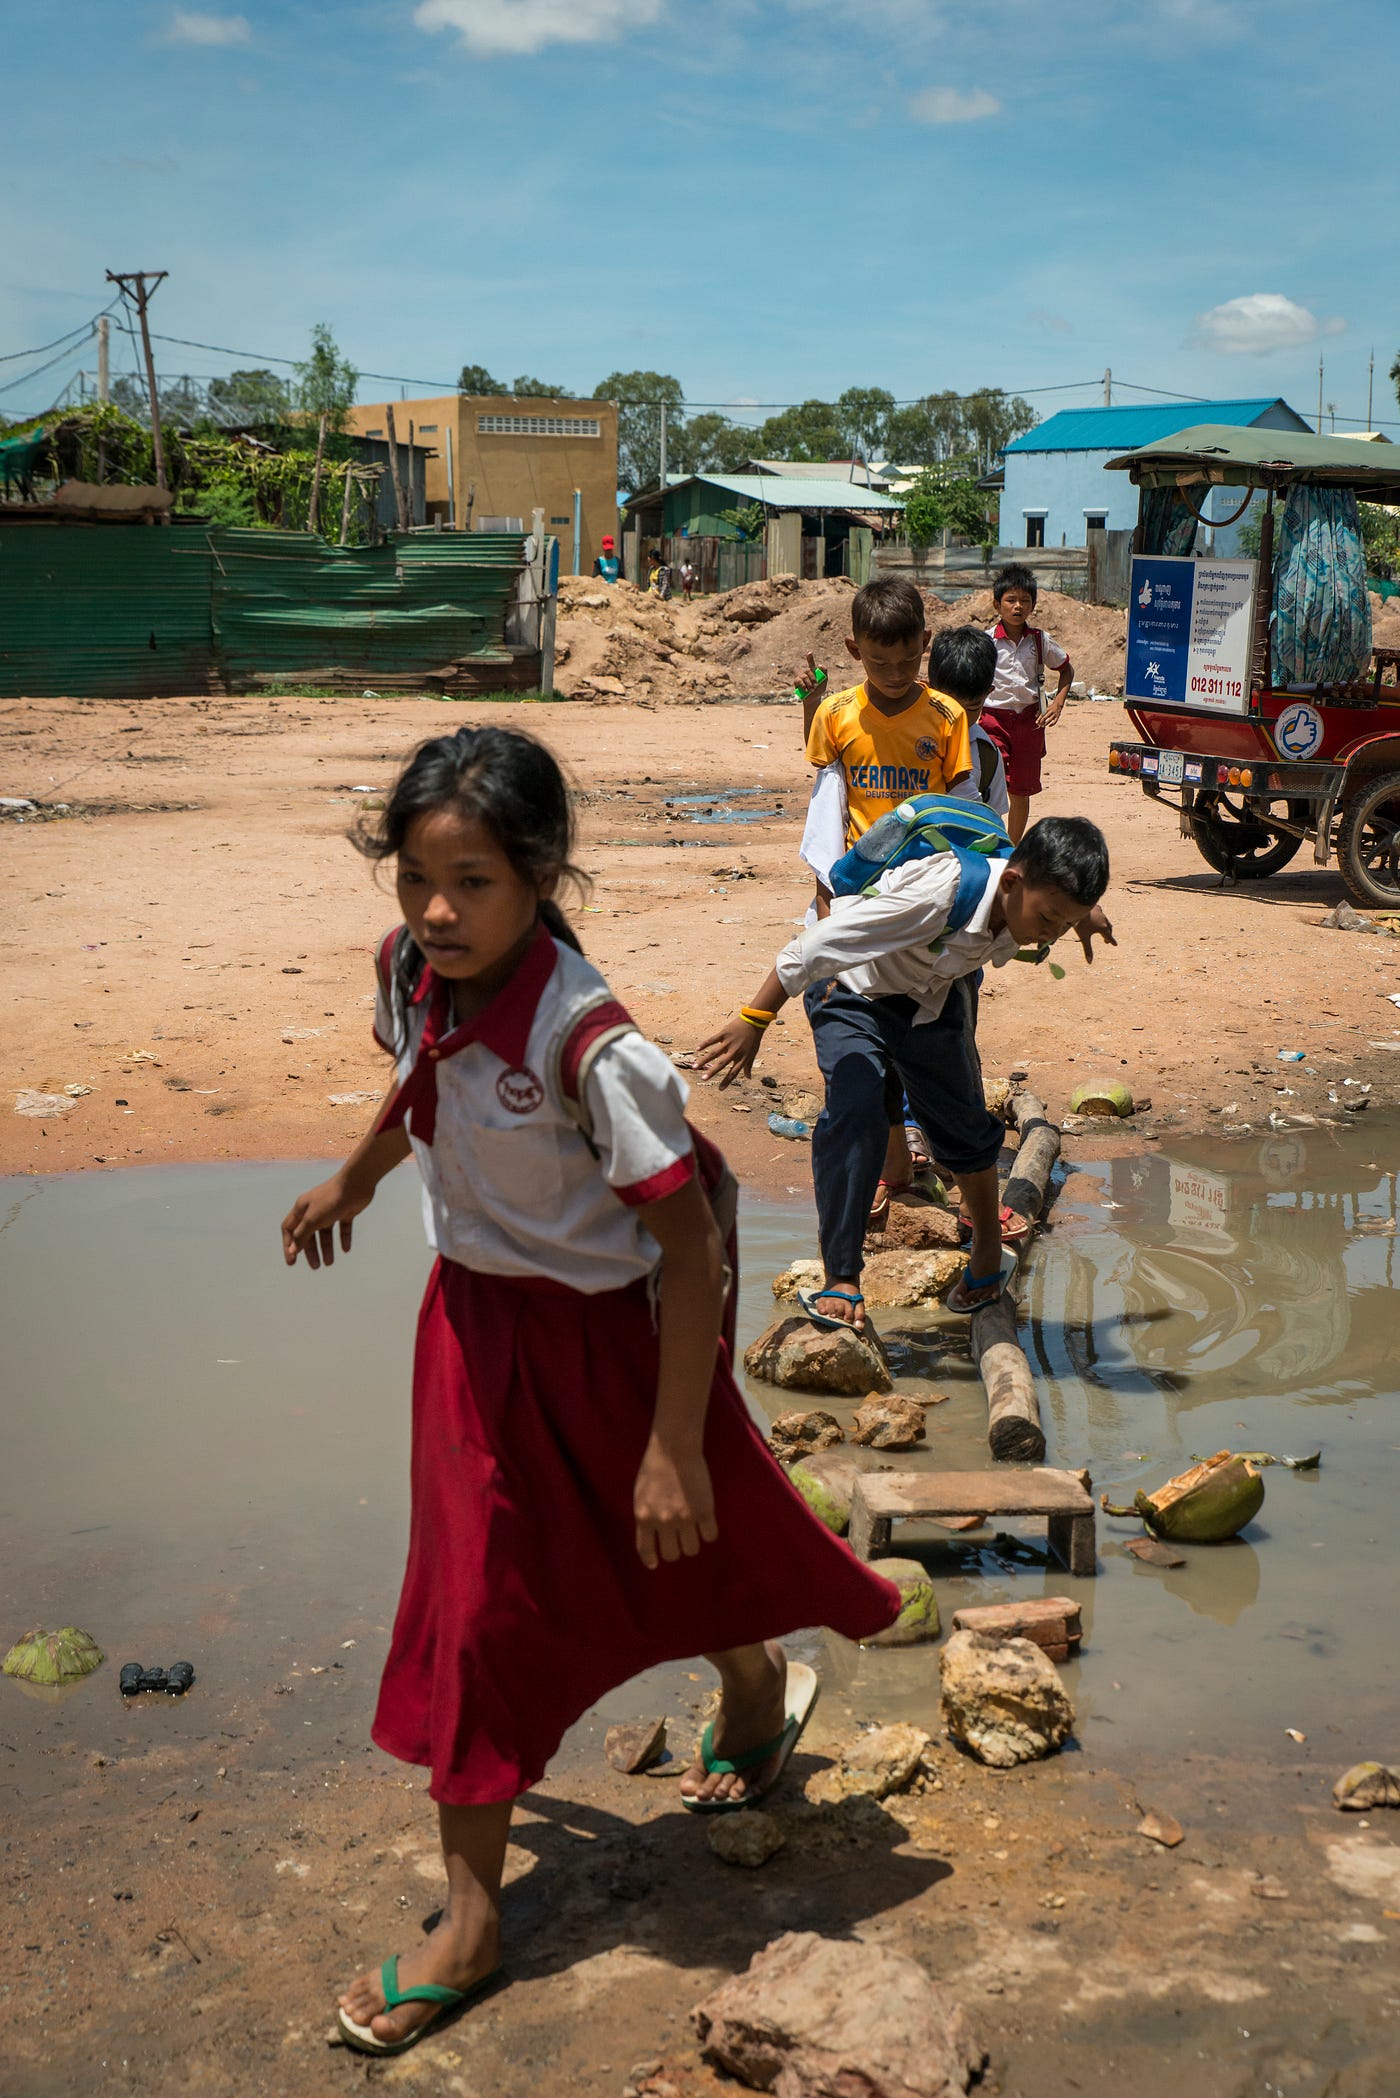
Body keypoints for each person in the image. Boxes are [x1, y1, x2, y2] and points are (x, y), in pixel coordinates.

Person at [280, 725, 899, 2058]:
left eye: (475, 883)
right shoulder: (414, 970)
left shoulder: (590, 1044)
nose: (437, 911)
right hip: (473, 1326)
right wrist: (357, 1175)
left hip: (615, 1335)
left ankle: (752, 1680)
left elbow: (687, 1240)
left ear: (543, 871)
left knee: (674, 1532)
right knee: (475, 1599)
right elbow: (419, 1081)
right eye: (416, 878)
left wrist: (674, 1438)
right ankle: (472, 1914)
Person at [698, 817, 1115, 1331]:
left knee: (963, 1122)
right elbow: (812, 949)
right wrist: (753, 1019)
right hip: (851, 987)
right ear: (1010, 883)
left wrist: (1086, 918)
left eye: (1064, 924)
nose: (1052, 932)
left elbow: (1063, 902)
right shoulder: (938, 897)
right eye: (1050, 918)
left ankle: (986, 1256)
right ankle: (842, 1276)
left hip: (928, 996)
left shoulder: (1033, 898)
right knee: (856, 1108)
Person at [799, 577, 974, 1213]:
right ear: (854, 649)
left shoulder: (947, 718)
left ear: (926, 644)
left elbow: (962, 816)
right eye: (880, 661)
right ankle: (891, 1168)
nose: (896, 673)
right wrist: (823, 906)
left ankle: (955, 1166)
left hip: (927, 902)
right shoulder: (834, 716)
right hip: (858, 902)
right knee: (867, 1039)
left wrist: (962, 908)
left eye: (908, 660)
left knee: (939, 1036)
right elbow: (825, 814)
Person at [982, 563, 1074, 843]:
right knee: (988, 786)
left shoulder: (1040, 640)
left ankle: (1011, 847)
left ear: (1033, 605)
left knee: (1020, 791)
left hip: (1029, 722)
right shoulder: (986, 641)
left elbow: (1066, 670)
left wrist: (1058, 703)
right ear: (998, 604)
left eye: (1025, 600)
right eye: (1011, 600)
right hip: (992, 721)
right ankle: (990, 841)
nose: (1018, 606)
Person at [938, 626, 1009, 824]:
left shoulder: (987, 755)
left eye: (970, 708)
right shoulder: (903, 736)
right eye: (949, 708)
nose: (957, 719)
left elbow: (992, 823)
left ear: (988, 693)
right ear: (930, 687)